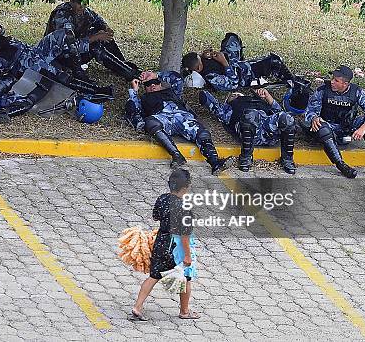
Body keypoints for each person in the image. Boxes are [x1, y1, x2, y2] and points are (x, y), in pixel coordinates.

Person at [125, 70, 234, 174]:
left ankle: (215, 163)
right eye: (148, 85)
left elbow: (177, 78)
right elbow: (134, 109)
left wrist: (155, 75)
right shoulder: (144, 98)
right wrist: (134, 90)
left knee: (202, 133)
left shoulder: (173, 92)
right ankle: (177, 156)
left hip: (184, 118)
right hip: (163, 118)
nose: (152, 86)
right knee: (151, 123)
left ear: (161, 84)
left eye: (155, 83)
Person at [130, 169, 200, 321]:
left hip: (161, 243)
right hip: (176, 248)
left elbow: (156, 216)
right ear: (186, 187)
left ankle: (137, 307)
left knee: (153, 276)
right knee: (186, 277)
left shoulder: (162, 199)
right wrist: (187, 255)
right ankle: (184, 311)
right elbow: (184, 235)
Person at [305, 65, 365, 181]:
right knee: (322, 128)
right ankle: (341, 165)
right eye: (332, 78)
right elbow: (310, 109)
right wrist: (314, 118)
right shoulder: (323, 90)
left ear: (345, 84)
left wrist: (364, 126)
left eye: (336, 81)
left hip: (348, 126)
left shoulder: (356, 92)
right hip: (328, 128)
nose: (332, 82)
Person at [44, 0, 139, 81]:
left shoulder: (82, 11)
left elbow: (97, 19)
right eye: (80, 6)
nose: (83, 9)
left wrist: (106, 28)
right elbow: (70, 46)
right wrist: (96, 37)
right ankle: (130, 73)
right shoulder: (62, 16)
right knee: (95, 46)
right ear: (72, 2)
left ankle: (122, 64)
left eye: (85, 5)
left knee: (103, 35)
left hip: (73, 51)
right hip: (59, 56)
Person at [199, 88, 297, 173]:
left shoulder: (261, 103)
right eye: (233, 95)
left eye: (239, 94)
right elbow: (206, 97)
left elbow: (280, 114)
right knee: (251, 115)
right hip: (249, 132)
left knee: (287, 118)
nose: (237, 95)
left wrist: (267, 96)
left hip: (268, 131)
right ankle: (246, 158)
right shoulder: (228, 109)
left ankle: (287, 160)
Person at [181, 33, 301, 92]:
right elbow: (233, 84)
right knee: (274, 61)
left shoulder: (199, 65)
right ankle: (292, 82)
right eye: (200, 59)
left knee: (232, 38)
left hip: (234, 62)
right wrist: (224, 63)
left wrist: (206, 54)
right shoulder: (211, 76)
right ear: (197, 68)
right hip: (243, 74)